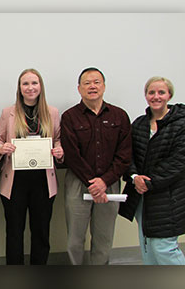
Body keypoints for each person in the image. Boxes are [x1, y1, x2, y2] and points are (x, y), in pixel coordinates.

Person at [60, 67, 132, 265]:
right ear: (79, 88)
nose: (92, 86)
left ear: (104, 86)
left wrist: (104, 181)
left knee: (103, 238)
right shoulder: (69, 117)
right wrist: (93, 182)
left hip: (110, 183)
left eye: (96, 82)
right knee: (75, 240)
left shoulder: (120, 116)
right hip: (78, 183)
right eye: (87, 83)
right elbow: (72, 155)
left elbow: (124, 155)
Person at [0, 68, 64, 265]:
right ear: (19, 88)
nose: (30, 87)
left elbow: (57, 139)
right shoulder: (8, 113)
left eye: (34, 83)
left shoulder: (52, 112)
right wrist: (2, 147)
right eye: (26, 83)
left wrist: (59, 150)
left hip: (43, 180)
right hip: (15, 182)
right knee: (14, 231)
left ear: (40, 86)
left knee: (41, 231)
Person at [119, 76, 185, 265]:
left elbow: (178, 162)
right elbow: (127, 155)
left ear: (169, 95)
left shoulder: (181, 124)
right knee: (147, 248)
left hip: (168, 196)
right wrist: (134, 177)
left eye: (161, 92)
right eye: (151, 92)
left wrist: (149, 182)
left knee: (164, 248)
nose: (156, 96)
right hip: (141, 196)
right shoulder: (139, 124)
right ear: (146, 95)